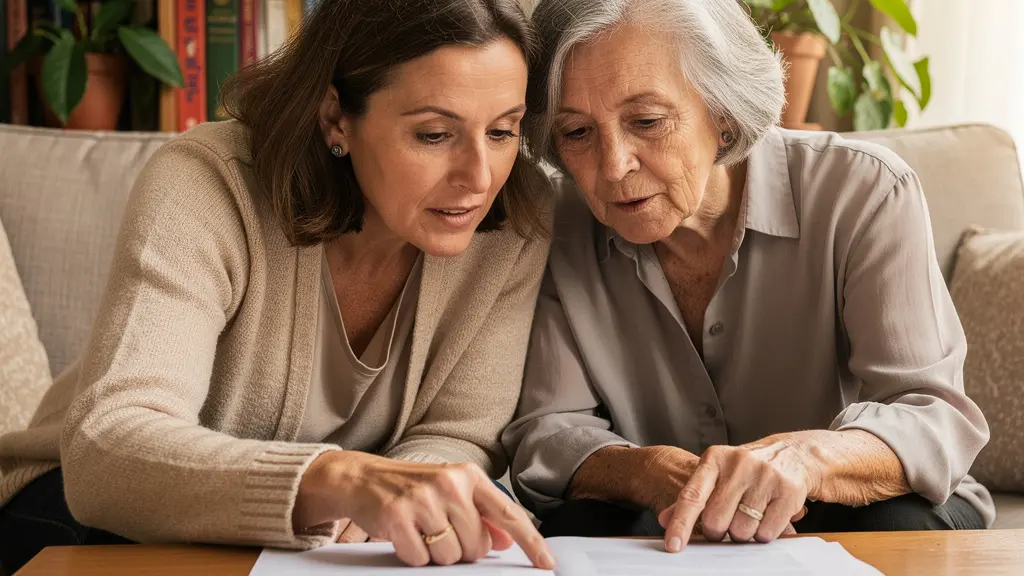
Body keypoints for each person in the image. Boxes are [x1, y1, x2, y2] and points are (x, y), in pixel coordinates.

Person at [0, 0, 557, 573]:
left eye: (501, 131)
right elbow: (106, 454)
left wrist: (405, 495)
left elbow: (459, 433)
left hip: (315, 538)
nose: (480, 176)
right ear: (335, 116)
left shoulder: (519, 214)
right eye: (435, 134)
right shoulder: (205, 184)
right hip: (78, 510)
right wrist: (341, 478)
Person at [503, 0, 992, 554]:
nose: (613, 166)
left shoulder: (864, 191)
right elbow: (549, 430)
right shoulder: (558, 226)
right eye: (577, 133)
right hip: (668, 516)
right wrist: (652, 470)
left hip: (854, 505)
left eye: (647, 122)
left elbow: (931, 414)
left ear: (725, 113)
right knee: (584, 524)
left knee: (899, 525)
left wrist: (803, 461)